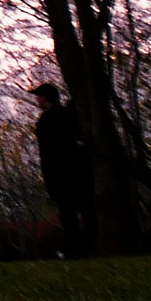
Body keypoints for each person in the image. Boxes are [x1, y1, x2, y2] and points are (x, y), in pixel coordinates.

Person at [32, 82, 94, 256]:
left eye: (38, 96)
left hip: (59, 176)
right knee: (86, 212)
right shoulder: (70, 116)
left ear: (44, 98)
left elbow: (47, 154)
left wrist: (49, 180)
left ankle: (75, 251)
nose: (37, 99)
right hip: (80, 173)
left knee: (68, 216)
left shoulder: (45, 122)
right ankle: (88, 246)